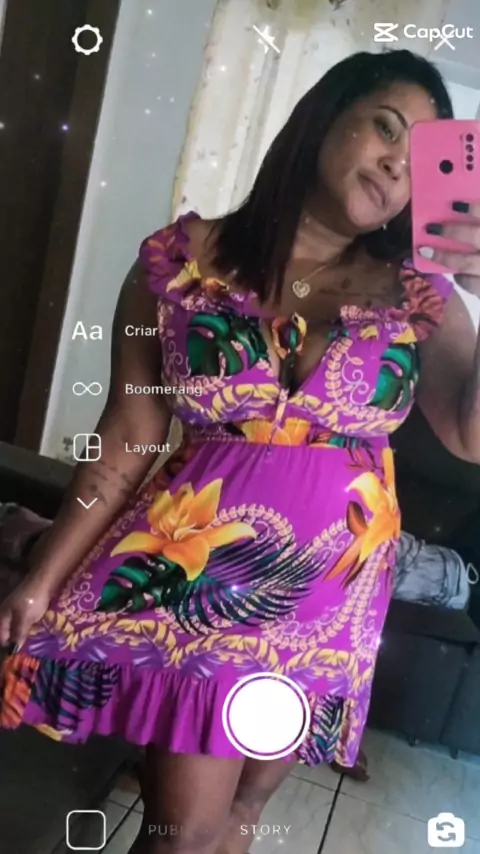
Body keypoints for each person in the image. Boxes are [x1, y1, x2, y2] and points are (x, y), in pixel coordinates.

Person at [1, 49, 480, 854]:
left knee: (242, 814)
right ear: (323, 117)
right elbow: (126, 439)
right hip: (205, 586)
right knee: (184, 833)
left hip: (333, 601)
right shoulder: (175, 266)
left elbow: (471, 435)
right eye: (385, 127)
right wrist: (43, 579)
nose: (398, 163)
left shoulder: (416, 294)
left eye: (421, 156)